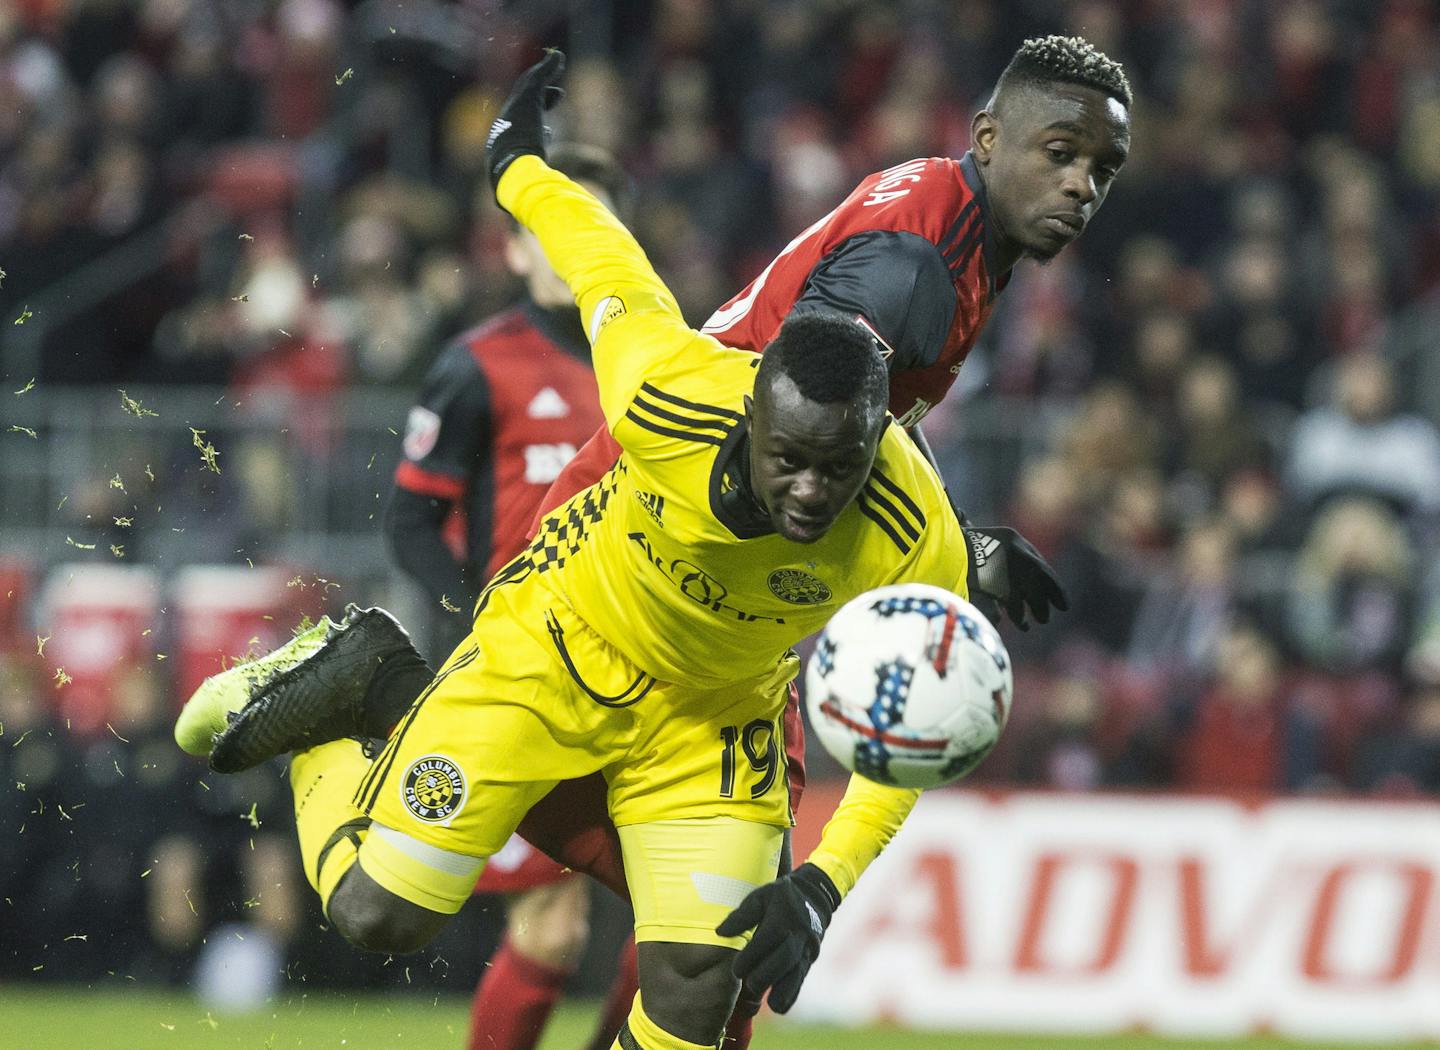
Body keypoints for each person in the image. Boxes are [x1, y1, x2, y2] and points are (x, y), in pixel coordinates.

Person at [176, 34, 1132, 1046]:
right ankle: (364, 690)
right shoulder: (876, 292)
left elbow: (916, 719)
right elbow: (626, 285)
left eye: (1101, 170)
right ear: (990, 137)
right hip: (598, 595)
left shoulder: (947, 253)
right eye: (1061, 153)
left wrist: (822, 884)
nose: (1081, 187)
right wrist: (523, 171)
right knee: (385, 915)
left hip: (720, 690)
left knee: (712, 991)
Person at [383, 144, 639, 1050]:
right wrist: (469, 626)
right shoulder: (477, 365)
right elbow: (411, 523)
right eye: (549, 226)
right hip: (534, 683)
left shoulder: (659, 356)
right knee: (552, 927)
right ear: (517, 250)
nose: (571, 244)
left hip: (655, 675)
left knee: (688, 924)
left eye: (591, 223)